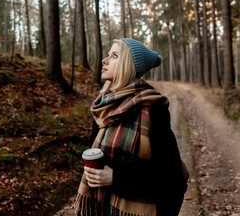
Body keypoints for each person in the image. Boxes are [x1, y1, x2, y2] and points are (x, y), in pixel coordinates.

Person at [73, 38, 188, 216]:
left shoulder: (153, 108)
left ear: (129, 65)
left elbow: (169, 174)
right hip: (102, 207)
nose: (105, 60)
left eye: (115, 55)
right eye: (108, 54)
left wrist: (115, 178)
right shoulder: (102, 106)